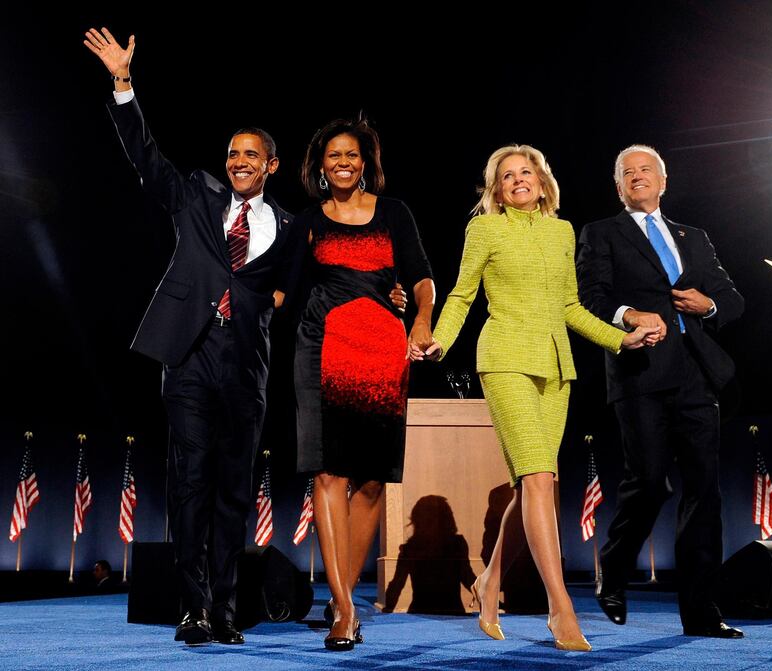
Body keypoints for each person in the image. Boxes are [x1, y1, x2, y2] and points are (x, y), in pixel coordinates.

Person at [83, 27, 293, 646]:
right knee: (190, 484)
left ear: (271, 165)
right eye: (233, 154)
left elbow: (301, 286)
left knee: (233, 489)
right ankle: (195, 609)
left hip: (247, 367)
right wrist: (124, 83)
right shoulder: (196, 197)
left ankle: (227, 609)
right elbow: (145, 156)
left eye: (251, 155)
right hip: (190, 358)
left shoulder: (289, 226)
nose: (238, 162)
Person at [420, 145, 657, 652]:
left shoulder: (561, 231)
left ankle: (488, 583)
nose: (517, 180)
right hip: (504, 358)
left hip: (556, 369)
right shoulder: (484, 229)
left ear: (542, 181)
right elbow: (462, 294)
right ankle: (561, 607)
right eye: (506, 176)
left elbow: (570, 306)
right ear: (497, 190)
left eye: (525, 172)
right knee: (539, 478)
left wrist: (620, 338)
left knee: (532, 486)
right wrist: (440, 340)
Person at [576, 144, 745, 638]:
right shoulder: (601, 233)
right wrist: (628, 315)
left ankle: (701, 612)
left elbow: (733, 299)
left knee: (703, 494)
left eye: (645, 169)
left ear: (663, 181)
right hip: (640, 372)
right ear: (618, 186)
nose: (637, 175)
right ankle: (614, 563)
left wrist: (707, 304)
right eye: (626, 172)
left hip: (698, 376)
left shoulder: (694, 237)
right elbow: (590, 297)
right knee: (649, 482)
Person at [291, 117, 435, 651]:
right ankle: (346, 609)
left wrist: (419, 319)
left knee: (371, 480)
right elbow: (281, 281)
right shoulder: (309, 220)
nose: (343, 163)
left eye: (351, 154)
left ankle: (341, 594)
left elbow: (421, 276)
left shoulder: (394, 213)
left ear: (364, 161)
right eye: (333, 156)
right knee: (329, 472)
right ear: (320, 166)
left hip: (380, 350)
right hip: (320, 347)